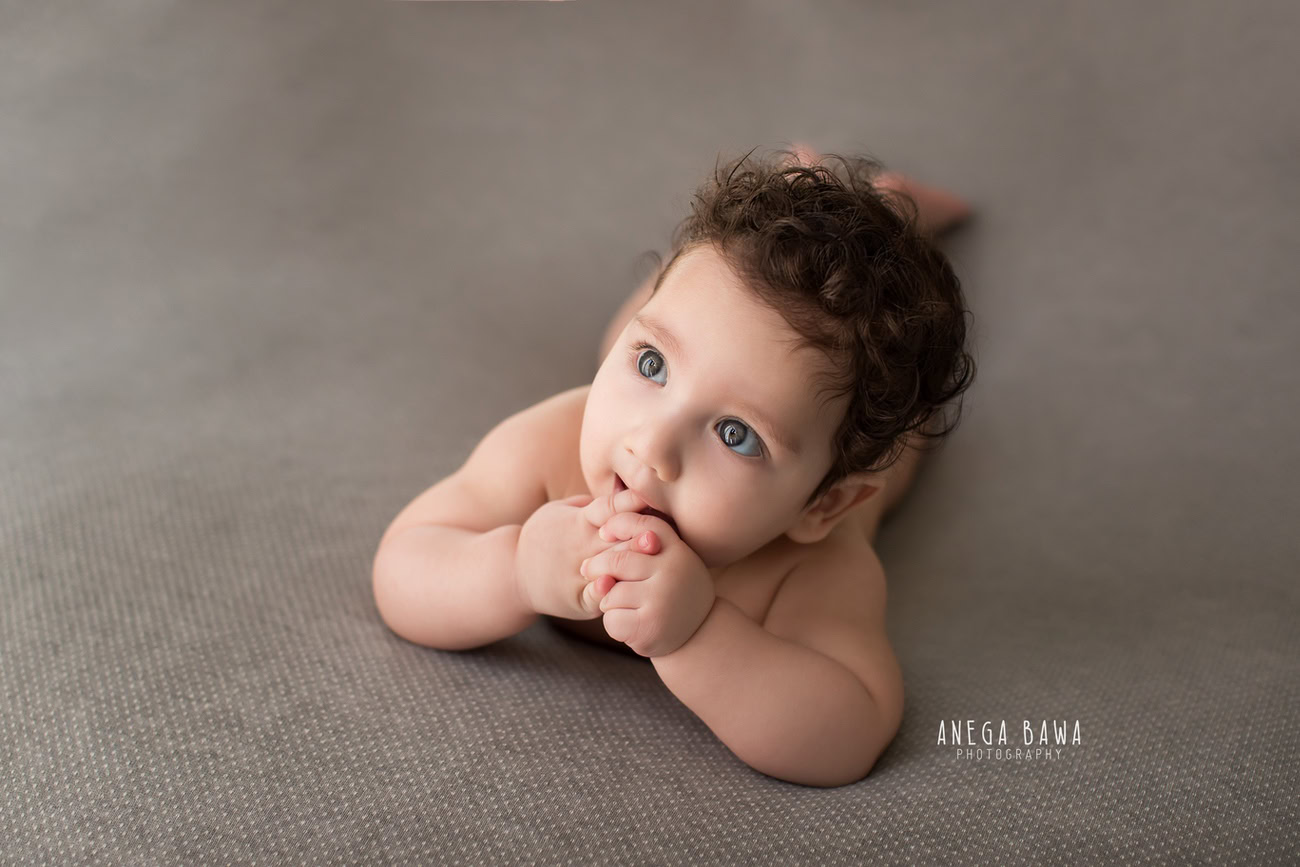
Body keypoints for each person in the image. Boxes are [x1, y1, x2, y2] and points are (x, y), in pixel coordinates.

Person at [372, 144, 976, 787]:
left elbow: (848, 732)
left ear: (818, 506)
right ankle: (805, 200)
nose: (652, 448)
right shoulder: (551, 448)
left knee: (905, 420)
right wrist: (515, 569)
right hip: (679, 326)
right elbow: (403, 565)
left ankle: (891, 210)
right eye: (652, 366)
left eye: (736, 435)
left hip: (873, 441)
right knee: (653, 325)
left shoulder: (813, 568)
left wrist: (700, 635)